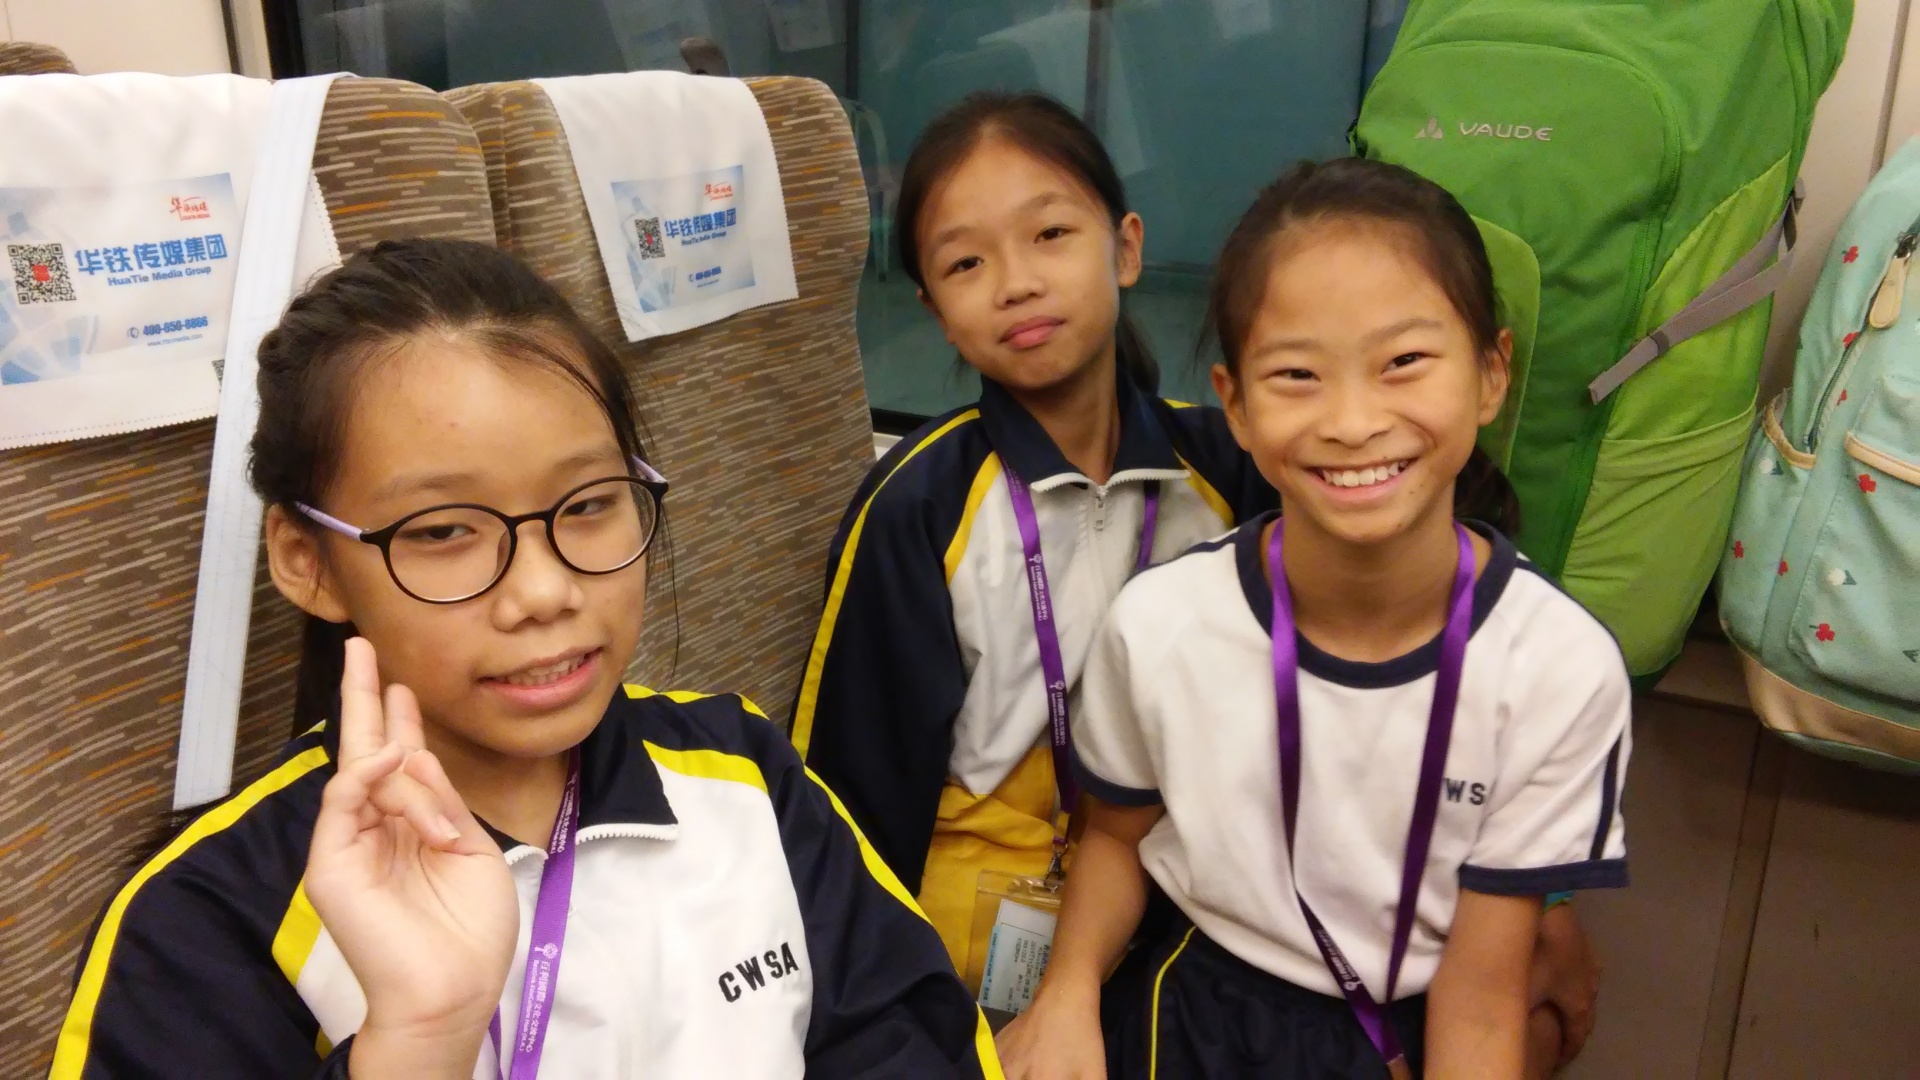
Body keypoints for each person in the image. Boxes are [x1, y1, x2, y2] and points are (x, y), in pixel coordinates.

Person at [51, 239, 1000, 1079]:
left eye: (587, 505)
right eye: (443, 530)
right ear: (308, 560)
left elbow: (912, 1042)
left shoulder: (743, 773)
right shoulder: (207, 917)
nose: (544, 591)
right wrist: (417, 1044)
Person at [995, 158, 1632, 1079]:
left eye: (1403, 363)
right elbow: (1115, 839)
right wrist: (1066, 995)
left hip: (1408, 1025)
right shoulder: (1163, 624)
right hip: (1192, 1005)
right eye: (1297, 374)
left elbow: (1483, 996)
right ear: (1236, 405)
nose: (1352, 420)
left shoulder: (1559, 668)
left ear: (1491, 374)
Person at [788, 91, 1273, 985]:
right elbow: (857, 790)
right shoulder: (919, 508)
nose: (1015, 282)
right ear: (935, 309)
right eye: (967, 262)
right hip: (975, 902)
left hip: (1184, 872)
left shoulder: (1230, 467)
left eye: (1050, 234)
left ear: (1126, 249)